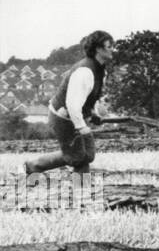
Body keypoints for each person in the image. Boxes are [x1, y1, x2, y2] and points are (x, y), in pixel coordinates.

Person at [25, 30, 114, 178]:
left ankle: (80, 189)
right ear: (98, 48)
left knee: (83, 155)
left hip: (74, 115)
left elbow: (91, 96)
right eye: (109, 45)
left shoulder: (101, 70)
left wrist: (93, 113)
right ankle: (32, 165)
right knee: (78, 156)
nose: (112, 49)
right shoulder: (85, 71)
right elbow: (72, 104)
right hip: (63, 117)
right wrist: (82, 127)